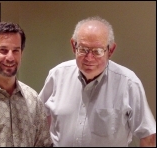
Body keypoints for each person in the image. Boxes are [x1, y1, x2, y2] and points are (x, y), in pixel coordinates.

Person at [38, 16, 156, 147]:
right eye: (83, 49)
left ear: (110, 50)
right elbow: (40, 118)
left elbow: (148, 135)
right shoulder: (57, 75)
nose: (89, 58)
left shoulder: (128, 83)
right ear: (73, 46)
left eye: (97, 51)